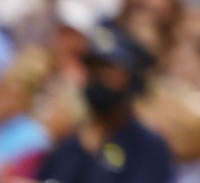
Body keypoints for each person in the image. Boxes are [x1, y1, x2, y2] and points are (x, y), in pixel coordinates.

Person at [40, 26, 175, 183]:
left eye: (107, 71)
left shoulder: (148, 147)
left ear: (129, 78)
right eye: (93, 70)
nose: (98, 79)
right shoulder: (68, 143)